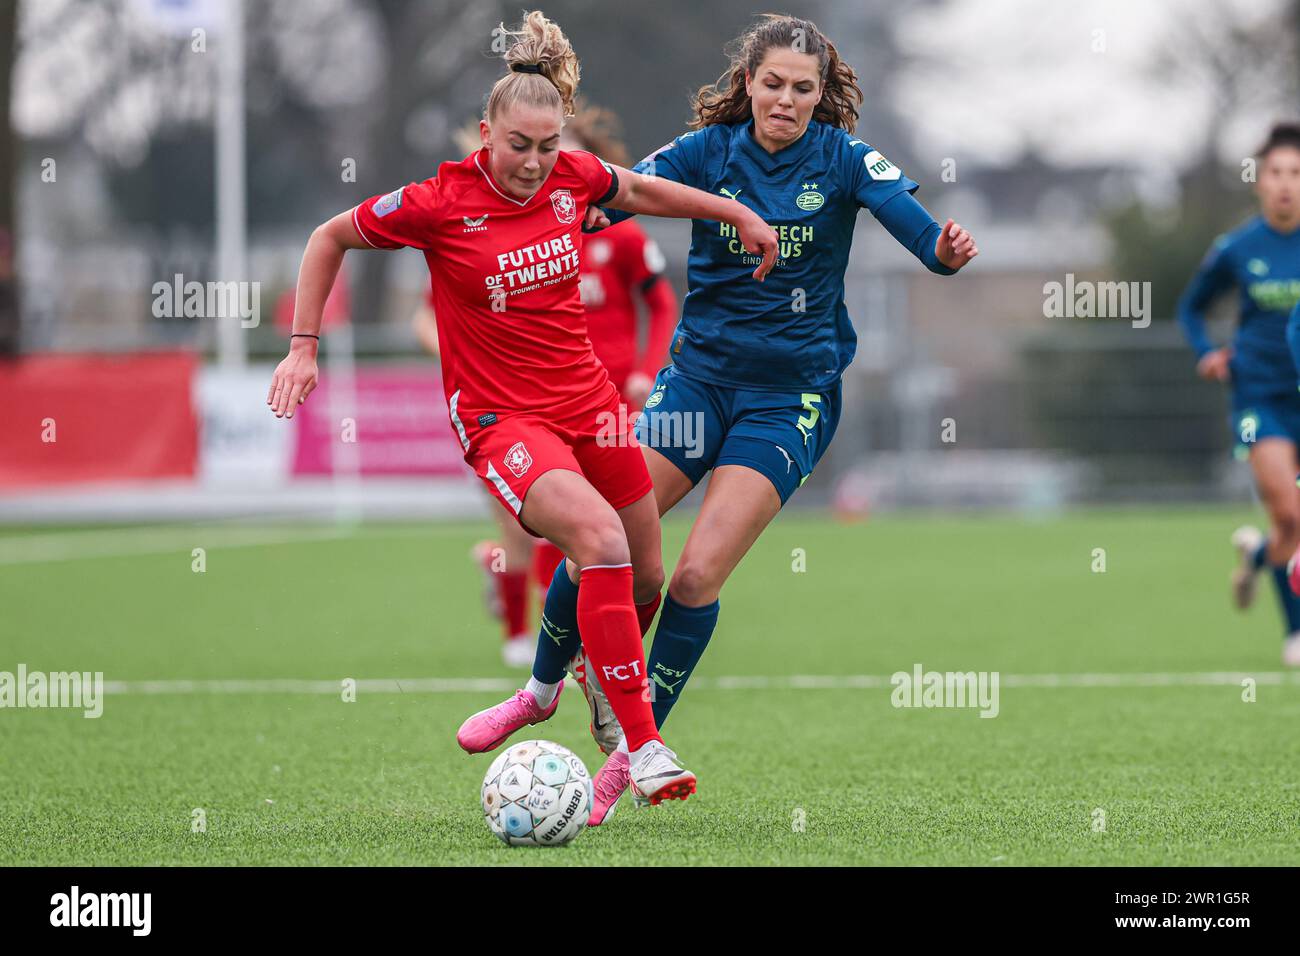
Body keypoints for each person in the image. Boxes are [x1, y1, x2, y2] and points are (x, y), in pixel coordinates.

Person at [266, 10, 779, 806]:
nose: (536, 164)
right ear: (486, 132)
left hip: (593, 407)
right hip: (503, 423)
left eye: (549, 147)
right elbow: (327, 237)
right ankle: (644, 748)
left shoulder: (574, 178)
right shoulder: (437, 201)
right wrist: (304, 344)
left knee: (647, 576)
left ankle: (542, 691)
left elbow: (639, 187)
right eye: (519, 147)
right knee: (600, 541)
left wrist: (738, 214)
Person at [524, 13, 978, 824]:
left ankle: (635, 752)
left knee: (694, 576)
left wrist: (942, 248)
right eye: (773, 84)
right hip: (696, 385)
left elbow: (916, 230)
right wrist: (568, 205)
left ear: (820, 95)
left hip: (788, 399)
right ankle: (543, 686)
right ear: (749, 83)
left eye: (804, 88)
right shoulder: (706, 151)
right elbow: (618, 198)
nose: (787, 100)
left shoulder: (841, 158)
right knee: (601, 532)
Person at [1180, 121, 1300, 667]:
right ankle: (1296, 635)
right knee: (1293, 516)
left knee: (1285, 529)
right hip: (1259, 396)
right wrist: (1207, 350)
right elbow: (1191, 307)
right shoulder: (1236, 248)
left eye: (1296, 173)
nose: (1285, 184)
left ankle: (1255, 558)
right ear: (1259, 181)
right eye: (1275, 172)